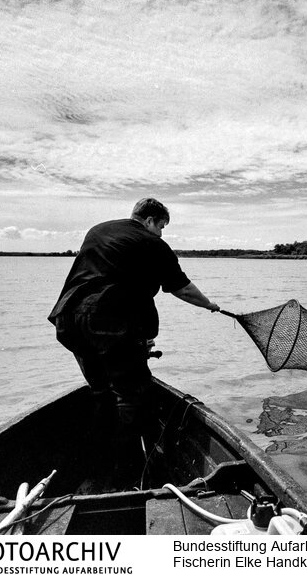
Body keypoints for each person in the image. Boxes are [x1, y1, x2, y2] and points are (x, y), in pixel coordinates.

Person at [48, 198, 219, 486]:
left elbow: (106, 277)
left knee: (102, 392)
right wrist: (209, 304)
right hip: (106, 323)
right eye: (162, 226)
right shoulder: (152, 244)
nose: (162, 233)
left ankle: (95, 463)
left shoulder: (98, 230)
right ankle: (124, 474)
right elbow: (181, 288)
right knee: (132, 396)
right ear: (150, 220)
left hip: (69, 320)